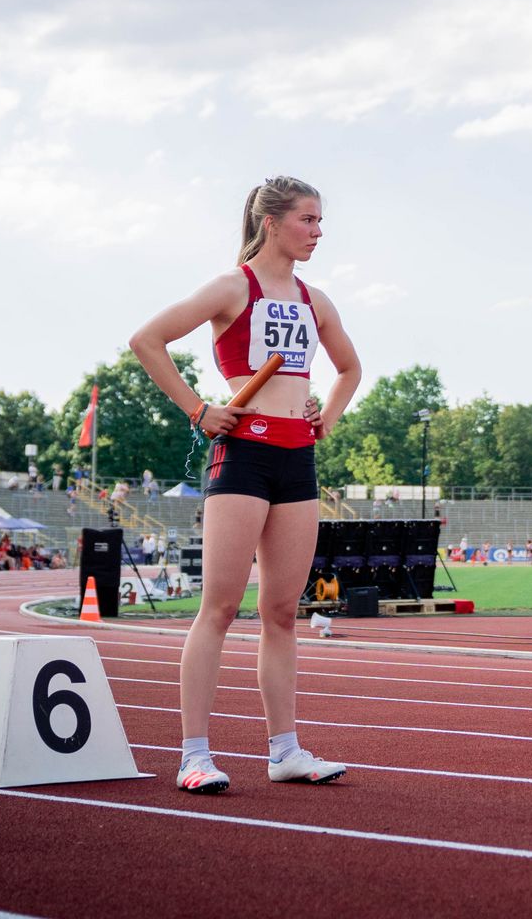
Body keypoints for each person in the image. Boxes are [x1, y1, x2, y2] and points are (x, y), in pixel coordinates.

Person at [129, 175, 361, 796]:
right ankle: (194, 755)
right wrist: (199, 410)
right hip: (244, 456)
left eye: (320, 221)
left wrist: (326, 416)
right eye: (308, 220)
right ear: (272, 223)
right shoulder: (235, 286)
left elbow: (349, 368)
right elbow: (146, 341)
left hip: (297, 459)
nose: (318, 232)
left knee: (283, 612)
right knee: (221, 607)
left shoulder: (316, 301)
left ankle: (285, 750)